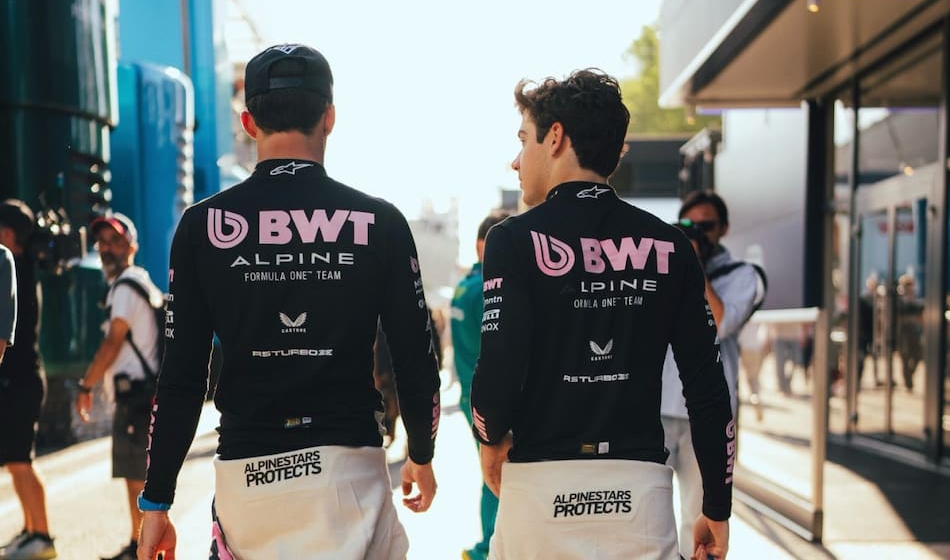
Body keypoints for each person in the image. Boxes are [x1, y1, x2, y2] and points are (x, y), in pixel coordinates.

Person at [137, 44, 441, 560]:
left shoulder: (202, 225)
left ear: (249, 121)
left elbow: (182, 376)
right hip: (350, 470)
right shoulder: (380, 221)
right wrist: (423, 453)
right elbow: (416, 355)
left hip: (247, 476)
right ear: (330, 117)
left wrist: (156, 500)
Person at [470, 70, 734, 560]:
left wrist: (487, 438)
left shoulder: (512, 239)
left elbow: (498, 368)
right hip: (639, 492)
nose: (515, 160)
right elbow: (708, 387)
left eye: (523, 139)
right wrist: (717, 506)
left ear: (555, 138)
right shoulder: (670, 245)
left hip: (540, 485)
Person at [661, 190, 760, 559]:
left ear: (724, 229)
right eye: (690, 225)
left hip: (707, 415)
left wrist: (692, 264)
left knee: (699, 517)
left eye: (707, 226)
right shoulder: (660, 265)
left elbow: (718, 322)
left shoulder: (742, 274)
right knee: (645, 510)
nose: (698, 232)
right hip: (656, 406)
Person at [75, 212, 163, 560]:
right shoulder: (137, 281)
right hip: (143, 394)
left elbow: (113, 343)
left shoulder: (126, 286)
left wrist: (85, 385)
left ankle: (143, 548)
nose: (107, 248)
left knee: (135, 479)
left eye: (115, 241)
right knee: (136, 477)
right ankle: (139, 544)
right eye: (102, 242)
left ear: (132, 247)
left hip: (136, 396)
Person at [0, 199, 57, 560]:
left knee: (21, 460)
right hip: (20, 380)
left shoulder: (12, 267)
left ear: (7, 234)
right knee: (15, 460)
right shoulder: (23, 266)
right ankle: (31, 529)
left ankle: (44, 536)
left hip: (19, 380)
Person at [450, 211, 508, 560]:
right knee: (497, 476)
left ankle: (487, 545)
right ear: (481, 245)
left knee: (490, 474)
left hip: (472, 392)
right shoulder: (486, 291)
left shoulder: (464, 287)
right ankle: (489, 547)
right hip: (487, 398)